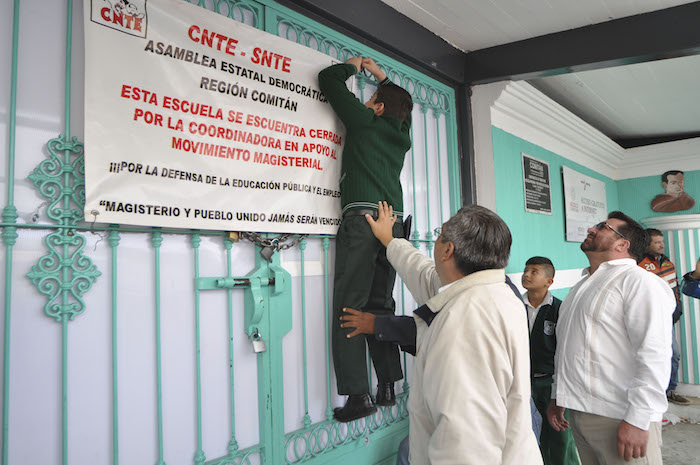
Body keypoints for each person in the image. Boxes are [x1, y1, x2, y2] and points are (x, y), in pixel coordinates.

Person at [364, 201, 542, 465]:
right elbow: (423, 272)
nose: (436, 241)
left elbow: (465, 444)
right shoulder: (496, 291)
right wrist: (391, 241)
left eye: (439, 235)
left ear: (448, 250)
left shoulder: (466, 321)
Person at [318, 57, 413, 422]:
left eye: (374, 97)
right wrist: (383, 78)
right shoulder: (401, 136)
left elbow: (329, 79)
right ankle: (388, 384)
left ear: (379, 106)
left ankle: (358, 395)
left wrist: (356, 66)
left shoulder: (364, 120)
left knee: (350, 306)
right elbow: (404, 105)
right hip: (393, 226)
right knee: (379, 303)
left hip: (362, 222)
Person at [548, 212, 675, 465]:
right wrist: (557, 395)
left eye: (603, 227)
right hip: (580, 412)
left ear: (622, 244)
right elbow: (568, 347)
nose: (592, 228)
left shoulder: (640, 282)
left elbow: (654, 353)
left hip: (620, 416)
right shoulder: (582, 286)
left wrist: (638, 419)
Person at [522, 257, 579, 465]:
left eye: (534, 271)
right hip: (522, 382)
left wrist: (561, 388)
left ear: (549, 281)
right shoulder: (514, 307)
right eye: (526, 270)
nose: (527, 274)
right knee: (526, 438)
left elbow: (565, 351)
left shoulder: (560, 309)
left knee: (560, 438)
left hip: (550, 382)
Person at [638, 229, 689, 405]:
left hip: (667, 319)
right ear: (647, 244)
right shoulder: (638, 264)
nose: (662, 245)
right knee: (647, 356)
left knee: (673, 354)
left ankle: (669, 391)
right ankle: (650, 394)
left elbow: (675, 290)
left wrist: (678, 309)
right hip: (647, 319)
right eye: (657, 242)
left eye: (662, 242)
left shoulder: (668, 264)